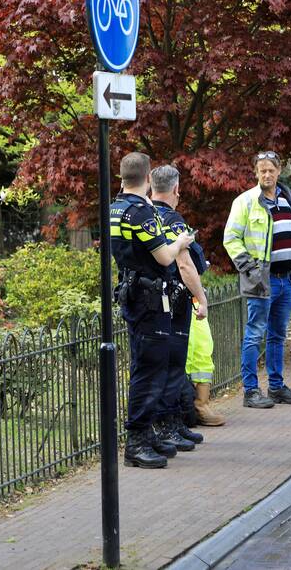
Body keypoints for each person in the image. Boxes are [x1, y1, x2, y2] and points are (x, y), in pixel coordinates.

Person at [111, 152, 195, 468]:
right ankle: (138, 440)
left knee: (143, 367)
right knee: (150, 370)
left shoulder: (114, 209)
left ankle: (146, 436)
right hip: (149, 299)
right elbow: (163, 257)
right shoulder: (141, 214)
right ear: (148, 179)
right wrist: (181, 242)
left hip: (132, 294)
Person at [223, 150, 291, 409]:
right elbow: (231, 238)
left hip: (285, 281)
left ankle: (276, 387)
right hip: (262, 280)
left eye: (271, 170)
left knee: (277, 335)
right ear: (255, 173)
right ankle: (251, 391)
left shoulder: (287, 199)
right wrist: (250, 269)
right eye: (262, 170)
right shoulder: (246, 201)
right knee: (254, 335)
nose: (267, 174)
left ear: (279, 170)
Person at [149, 165, 209, 448]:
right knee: (173, 365)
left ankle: (172, 422)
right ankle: (168, 425)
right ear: (175, 189)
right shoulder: (173, 220)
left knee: (165, 364)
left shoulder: (146, 216)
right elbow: (185, 265)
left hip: (154, 301)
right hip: (175, 301)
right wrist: (201, 298)